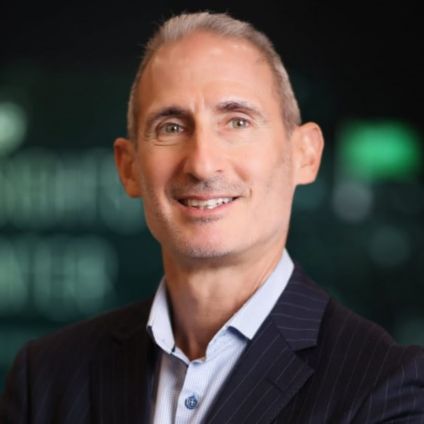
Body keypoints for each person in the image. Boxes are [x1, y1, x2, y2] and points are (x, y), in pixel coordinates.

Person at [1, 11, 423, 424]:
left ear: (305, 155)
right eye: (171, 127)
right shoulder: (46, 378)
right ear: (129, 168)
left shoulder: (384, 388)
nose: (202, 164)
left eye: (237, 122)